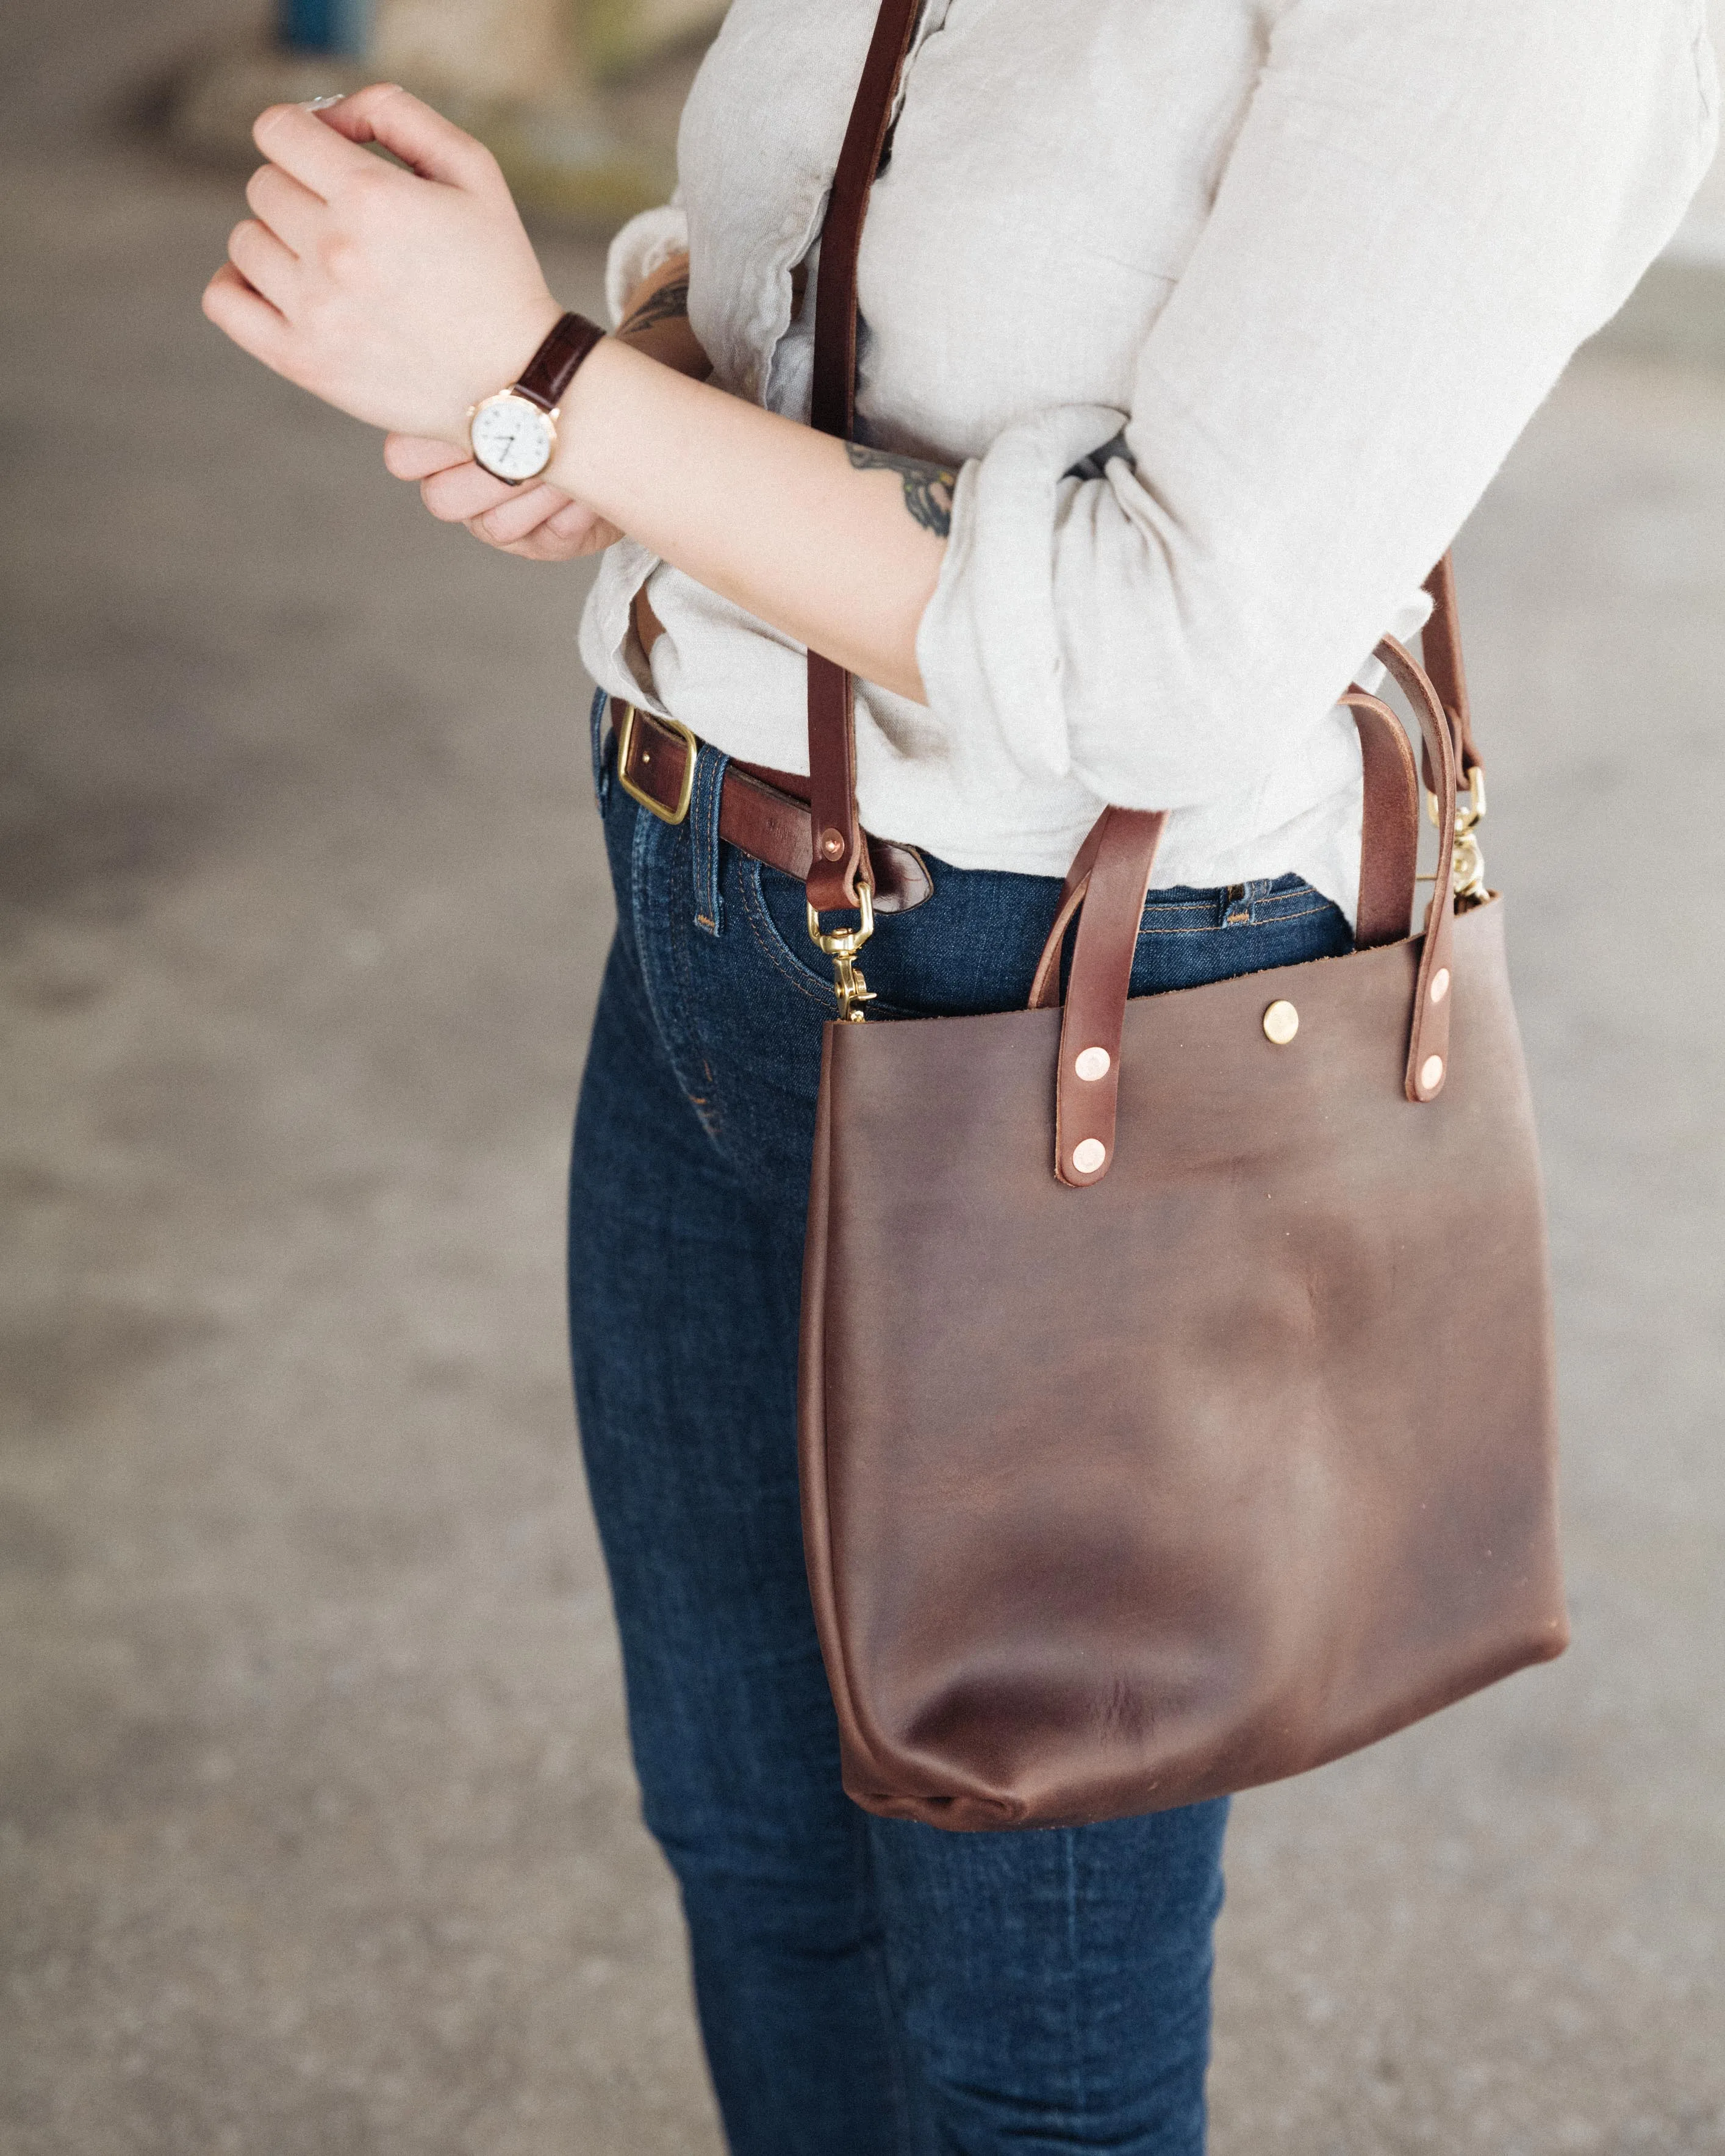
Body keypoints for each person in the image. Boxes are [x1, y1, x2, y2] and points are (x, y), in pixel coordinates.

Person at [203, 4, 1715, 2149]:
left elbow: (1174, 648)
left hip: (1051, 1010)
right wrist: (639, 369)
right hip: (700, 901)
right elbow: (868, 263)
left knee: (1033, 2045)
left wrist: (556, 406)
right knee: (753, 1862)